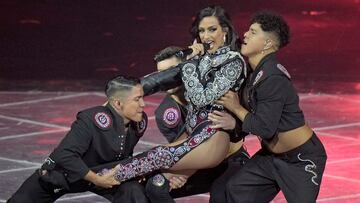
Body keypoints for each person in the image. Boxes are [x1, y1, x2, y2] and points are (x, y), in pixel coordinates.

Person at [99, 5, 248, 190]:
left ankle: (83, 177)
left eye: (212, 29)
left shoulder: (233, 61)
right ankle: (78, 176)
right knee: (149, 168)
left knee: (154, 158)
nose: (206, 36)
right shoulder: (201, 60)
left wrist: (190, 63)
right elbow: (158, 79)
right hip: (194, 133)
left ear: (224, 31)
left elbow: (203, 99)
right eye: (202, 30)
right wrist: (121, 95)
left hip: (213, 137)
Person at [213, 12, 327, 202]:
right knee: (236, 189)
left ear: (267, 44)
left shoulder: (273, 77)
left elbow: (264, 128)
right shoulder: (253, 72)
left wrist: (236, 108)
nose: (246, 34)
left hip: (301, 160)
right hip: (271, 157)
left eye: (253, 32)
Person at [8, 76, 150, 203]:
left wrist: (132, 171)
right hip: (65, 174)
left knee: (134, 191)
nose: (143, 104)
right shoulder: (90, 119)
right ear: (118, 103)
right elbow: (64, 154)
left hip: (106, 173)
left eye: (143, 97)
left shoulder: (140, 122)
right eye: (137, 99)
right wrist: (96, 179)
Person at [144, 46, 249, 203]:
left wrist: (234, 124)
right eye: (161, 74)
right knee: (154, 185)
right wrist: (181, 174)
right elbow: (183, 149)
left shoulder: (212, 89)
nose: (167, 78)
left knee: (222, 195)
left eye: (171, 71)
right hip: (198, 165)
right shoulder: (166, 113)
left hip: (230, 160)